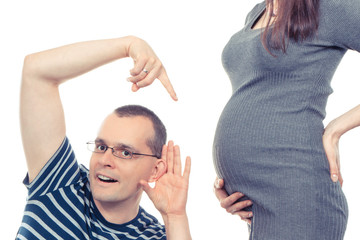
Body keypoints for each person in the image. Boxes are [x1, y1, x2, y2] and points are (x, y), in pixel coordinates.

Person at [16, 36, 191, 240]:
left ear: (155, 171)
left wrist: (175, 217)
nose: (105, 161)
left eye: (125, 153)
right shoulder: (60, 183)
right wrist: (128, 45)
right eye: (101, 147)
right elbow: (36, 71)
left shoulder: (155, 235)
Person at [212, 0, 360, 239]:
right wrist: (232, 183)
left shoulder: (330, 6)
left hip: (296, 191)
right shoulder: (258, 11)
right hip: (259, 203)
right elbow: (256, 90)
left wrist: (336, 128)